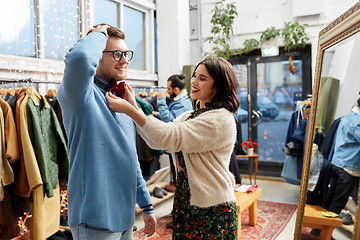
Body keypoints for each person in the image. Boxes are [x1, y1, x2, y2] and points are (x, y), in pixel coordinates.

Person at [106, 57, 240, 239]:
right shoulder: (190, 116)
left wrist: (131, 110)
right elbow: (158, 140)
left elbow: (166, 136)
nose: (194, 81)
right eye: (194, 76)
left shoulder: (221, 120)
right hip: (187, 203)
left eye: (203, 78)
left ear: (218, 86)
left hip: (213, 207)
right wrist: (134, 106)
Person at [57, 24, 156, 240]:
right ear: (98, 55)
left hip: (125, 216)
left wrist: (146, 204)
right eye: (116, 54)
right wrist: (98, 34)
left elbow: (130, 157)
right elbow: (80, 58)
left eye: (126, 53)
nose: (124, 59)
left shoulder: (121, 100)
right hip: (94, 219)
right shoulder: (79, 96)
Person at [153, 74, 193, 192]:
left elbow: (170, 120)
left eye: (169, 89)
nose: (167, 91)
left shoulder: (181, 103)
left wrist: (160, 101)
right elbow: (175, 116)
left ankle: (176, 185)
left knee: (177, 165)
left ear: (176, 89)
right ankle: (176, 184)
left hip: (178, 141)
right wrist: (158, 114)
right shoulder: (183, 100)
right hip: (181, 139)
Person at [326, 98, 360, 223]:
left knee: (331, 200)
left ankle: (319, 232)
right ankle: (325, 235)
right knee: (337, 204)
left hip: (339, 164)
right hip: (348, 168)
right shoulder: (356, 122)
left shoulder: (348, 117)